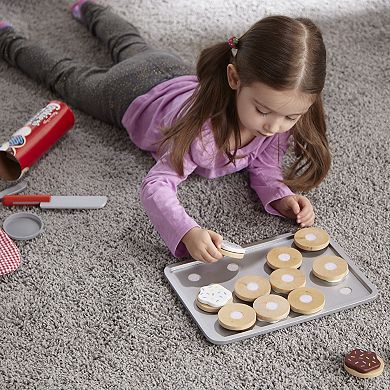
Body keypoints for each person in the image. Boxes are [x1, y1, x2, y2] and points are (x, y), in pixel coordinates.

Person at [0, 1, 331, 262]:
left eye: (290, 117)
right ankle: (7, 37)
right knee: (64, 75)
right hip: (126, 93)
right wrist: (186, 231)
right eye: (262, 111)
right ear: (233, 78)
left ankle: (89, 7)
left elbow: (263, 162)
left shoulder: (281, 119)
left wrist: (280, 196)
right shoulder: (201, 135)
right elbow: (155, 186)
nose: (274, 127)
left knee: (129, 42)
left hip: (168, 69)